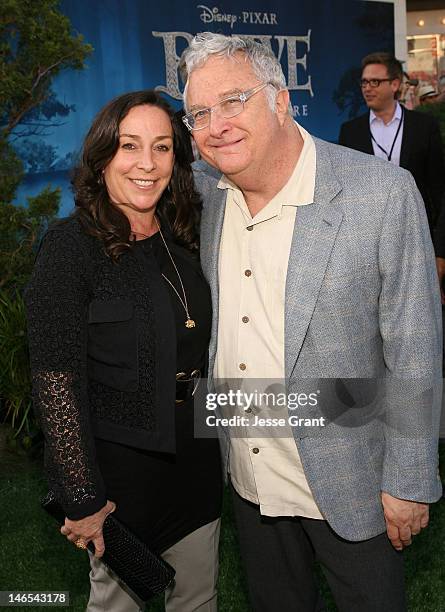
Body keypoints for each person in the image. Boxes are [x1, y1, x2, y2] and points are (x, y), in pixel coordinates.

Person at [180, 33, 443, 612]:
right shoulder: (206, 195)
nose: (216, 124)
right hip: (250, 481)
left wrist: (410, 479)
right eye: (199, 112)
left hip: (353, 482)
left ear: (280, 101)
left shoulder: (382, 193)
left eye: (233, 101)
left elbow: (415, 347)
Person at [25, 90, 222, 612]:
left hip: (197, 463)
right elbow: (55, 381)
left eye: (161, 148)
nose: (146, 163)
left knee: (198, 599)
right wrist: (83, 497)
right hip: (119, 477)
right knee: (117, 603)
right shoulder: (71, 247)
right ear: (103, 155)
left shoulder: (188, 238)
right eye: (130, 145)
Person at [338, 52, 445, 233]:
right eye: (364, 82)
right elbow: (345, 193)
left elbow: (438, 189)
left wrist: (441, 251)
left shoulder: (424, 127)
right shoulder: (350, 132)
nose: (367, 88)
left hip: (416, 231)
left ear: (395, 84)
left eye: (375, 82)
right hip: (368, 235)